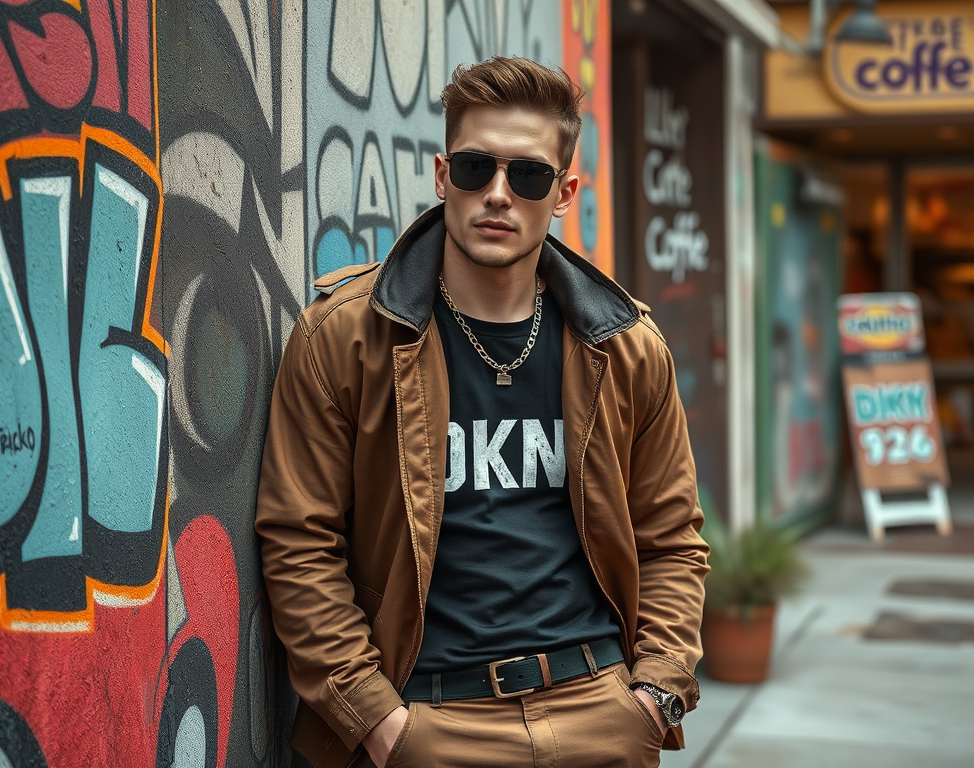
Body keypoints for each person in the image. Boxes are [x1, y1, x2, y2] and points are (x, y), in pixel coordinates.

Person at [256, 56, 709, 768]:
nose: (497, 194)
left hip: (601, 711)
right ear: (442, 177)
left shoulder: (625, 349)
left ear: (564, 193)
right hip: (431, 719)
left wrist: (656, 694)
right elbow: (298, 542)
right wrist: (378, 723)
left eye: (527, 176)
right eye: (475, 169)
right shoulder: (346, 338)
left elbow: (673, 537)